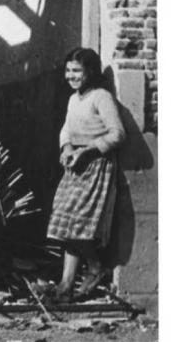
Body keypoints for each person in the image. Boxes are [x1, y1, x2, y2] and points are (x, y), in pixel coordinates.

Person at [45, 47, 126, 301]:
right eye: (68, 71)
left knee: (78, 222)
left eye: (77, 71)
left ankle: (82, 275)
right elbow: (66, 129)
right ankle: (74, 280)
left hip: (96, 165)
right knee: (66, 219)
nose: (72, 76)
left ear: (90, 71)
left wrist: (88, 151)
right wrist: (67, 148)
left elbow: (117, 133)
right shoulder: (73, 100)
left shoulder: (101, 97)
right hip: (75, 164)